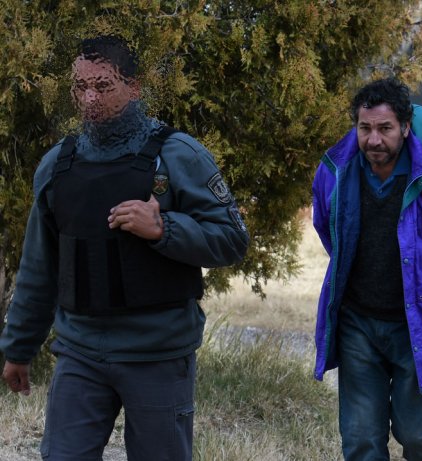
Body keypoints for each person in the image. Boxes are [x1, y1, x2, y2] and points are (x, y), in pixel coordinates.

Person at [0, 35, 249, 460]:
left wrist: (164, 228)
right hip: (79, 351)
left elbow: (232, 239)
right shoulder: (58, 164)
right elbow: (39, 269)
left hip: (157, 353)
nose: (90, 99)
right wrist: (18, 349)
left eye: (103, 86)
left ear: (133, 88)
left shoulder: (177, 155)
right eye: (80, 87)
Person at [312, 78, 422, 460]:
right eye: (365, 128)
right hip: (358, 323)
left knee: (419, 436)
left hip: (421, 321)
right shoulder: (336, 169)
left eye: (385, 128)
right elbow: (328, 231)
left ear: (405, 128)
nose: (374, 140)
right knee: (360, 440)